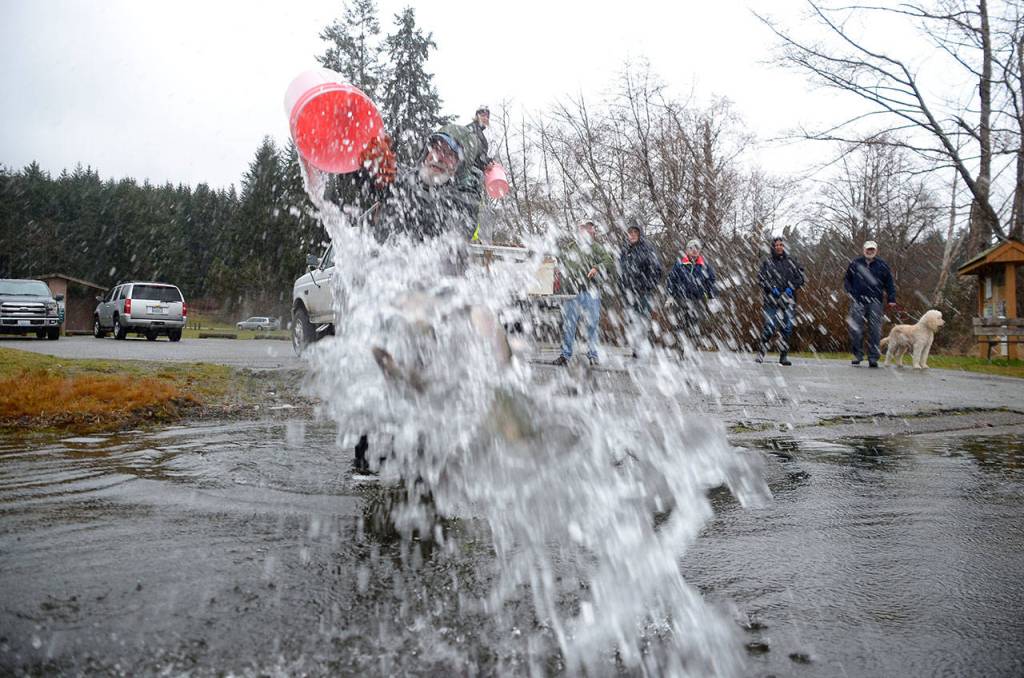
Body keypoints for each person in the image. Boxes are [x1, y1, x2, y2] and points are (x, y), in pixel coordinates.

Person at [552, 221, 614, 367]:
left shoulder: (597, 247)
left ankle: (593, 354)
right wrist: (555, 267)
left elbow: (609, 261)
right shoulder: (570, 247)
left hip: (591, 292)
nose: (586, 231)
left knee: (592, 324)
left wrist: (597, 267)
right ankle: (565, 355)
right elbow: (558, 260)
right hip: (571, 292)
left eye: (589, 229)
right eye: (583, 228)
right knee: (569, 325)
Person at [844, 240, 897, 368]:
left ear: (876, 251)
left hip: (875, 302)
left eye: (872, 249)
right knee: (856, 329)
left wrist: (891, 299)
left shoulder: (882, 265)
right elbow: (847, 280)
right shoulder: (855, 263)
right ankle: (858, 355)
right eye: (868, 249)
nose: (870, 251)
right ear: (864, 250)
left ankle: (873, 357)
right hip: (858, 301)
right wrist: (851, 292)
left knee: (875, 331)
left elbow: (889, 283)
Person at [756, 236, 805, 366]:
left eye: (781, 245)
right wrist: (772, 288)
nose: (779, 247)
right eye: (776, 245)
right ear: (773, 247)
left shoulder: (792, 261)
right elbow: (760, 279)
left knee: (787, 329)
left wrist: (790, 288)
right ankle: (761, 353)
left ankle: (783, 357)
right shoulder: (767, 262)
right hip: (771, 300)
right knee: (770, 327)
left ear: (784, 247)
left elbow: (801, 278)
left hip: (788, 300)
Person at [619, 223, 663, 358]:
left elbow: (657, 270)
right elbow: (621, 270)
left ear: (639, 234)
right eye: (630, 233)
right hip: (628, 292)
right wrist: (621, 285)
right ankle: (636, 347)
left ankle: (642, 347)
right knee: (631, 320)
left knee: (642, 320)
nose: (632, 235)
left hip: (643, 291)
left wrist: (647, 285)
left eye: (634, 233)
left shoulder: (647, 249)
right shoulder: (625, 250)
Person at [666, 238, 717, 346]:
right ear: (687, 250)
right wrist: (670, 295)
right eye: (691, 248)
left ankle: (690, 347)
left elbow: (711, 282)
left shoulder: (705, 265)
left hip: (696, 300)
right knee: (679, 325)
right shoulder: (679, 264)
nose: (694, 250)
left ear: (699, 251)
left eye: (697, 248)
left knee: (693, 325)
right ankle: (681, 347)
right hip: (679, 299)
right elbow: (671, 279)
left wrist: (711, 297)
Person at [466, 105, 494, 173]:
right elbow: (473, 151)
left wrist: (488, 160)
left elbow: (480, 153)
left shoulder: (479, 131)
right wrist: (485, 162)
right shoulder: (472, 129)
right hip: (469, 169)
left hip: (475, 169)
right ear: (477, 116)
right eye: (483, 115)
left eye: (487, 117)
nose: (485, 118)